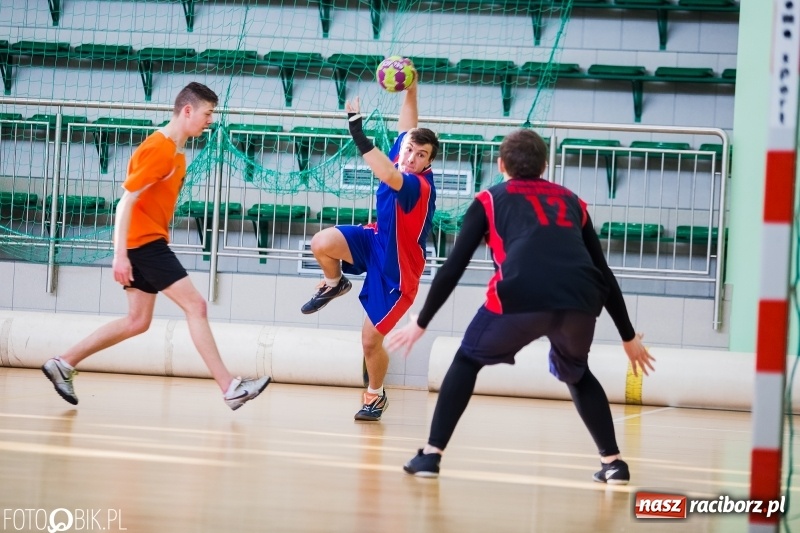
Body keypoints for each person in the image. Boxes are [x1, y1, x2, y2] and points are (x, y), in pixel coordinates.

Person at [386, 129, 656, 483]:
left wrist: (420, 322)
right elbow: (603, 271)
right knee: (576, 371)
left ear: (501, 165)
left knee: (466, 360)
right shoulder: (573, 201)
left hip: (519, 297)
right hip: (581, 301)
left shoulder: (489, 200)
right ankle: (614, 463)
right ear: (545, 165)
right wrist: (628, 335)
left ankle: (431, 456)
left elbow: (454, 266)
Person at [41, 82, 270, 410]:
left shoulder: (178, 153)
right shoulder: (159, 149)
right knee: (197, 307)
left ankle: (63, 363)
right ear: (188, 110)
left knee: (137, 321)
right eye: (207, 114)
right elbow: (125, 202)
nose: (210, 121)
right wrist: (120, 254)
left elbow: (150, 201)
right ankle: (230, 387)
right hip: (143, 246)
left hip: (150, 241)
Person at [300, 77, 439, 421]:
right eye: (410, 150)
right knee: (322, 243)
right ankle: (335, 283)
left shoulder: (417, 186)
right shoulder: (404, 152)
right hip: (376, 241)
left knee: (369, 342)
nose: (411, 156)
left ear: (428, 164)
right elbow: (408, 128)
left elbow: (390, 175)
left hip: (397, 271)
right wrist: (411, 90)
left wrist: (357, 133)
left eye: (421, 155)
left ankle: (375, 395)